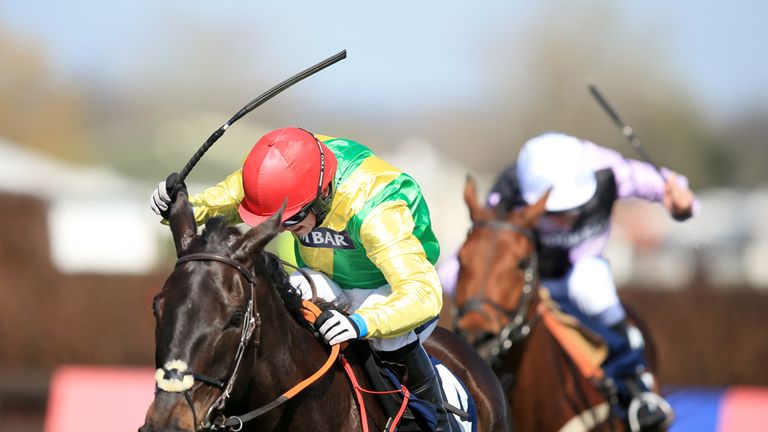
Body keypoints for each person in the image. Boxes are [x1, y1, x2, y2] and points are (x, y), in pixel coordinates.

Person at [151, 127, 456, 432]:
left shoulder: (376, 212)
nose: (285, 229)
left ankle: (437, 421)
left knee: (390, 335)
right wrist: (178, 205)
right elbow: (227, 199)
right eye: (279, 222)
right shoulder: (280, 167)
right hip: (325, 278)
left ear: (323, 194)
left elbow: (424, 293)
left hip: (389, 288)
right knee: (279, 303)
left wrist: (360, 323)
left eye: (294, 219)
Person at [439, 132, 697, 430]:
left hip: (581, 266)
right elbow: (491, 242)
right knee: (449, 278)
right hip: (531, 278)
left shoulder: (608, 168)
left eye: (568, 210)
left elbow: (667, 186)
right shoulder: (508, 188)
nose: (562, 221)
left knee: (592, 289)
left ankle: (638, 389)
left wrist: (683, 203)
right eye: (553, 212)